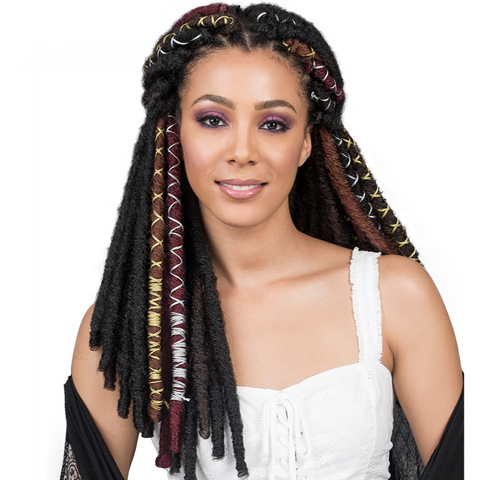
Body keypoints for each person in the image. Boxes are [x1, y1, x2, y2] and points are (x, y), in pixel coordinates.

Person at [62, 3, 463, 480]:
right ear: (175, 132)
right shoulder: (133, 327)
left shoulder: (395, 297)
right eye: (213, 120)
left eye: (273, 124)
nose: (243, 152)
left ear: (306, 142)